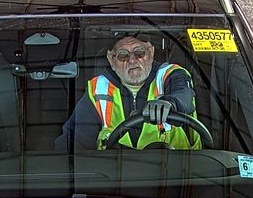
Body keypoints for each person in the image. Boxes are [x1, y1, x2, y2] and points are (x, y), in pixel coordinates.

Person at [56, 33, 203, 151]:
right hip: (116, 182)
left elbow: (184, 94)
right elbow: (73, 144)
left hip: (179, 179)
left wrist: (171, 104)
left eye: (139, 52)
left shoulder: (172, 75)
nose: (132, 60)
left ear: (151, 52)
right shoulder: (98, 89)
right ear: (111, 60)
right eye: (123, 55)